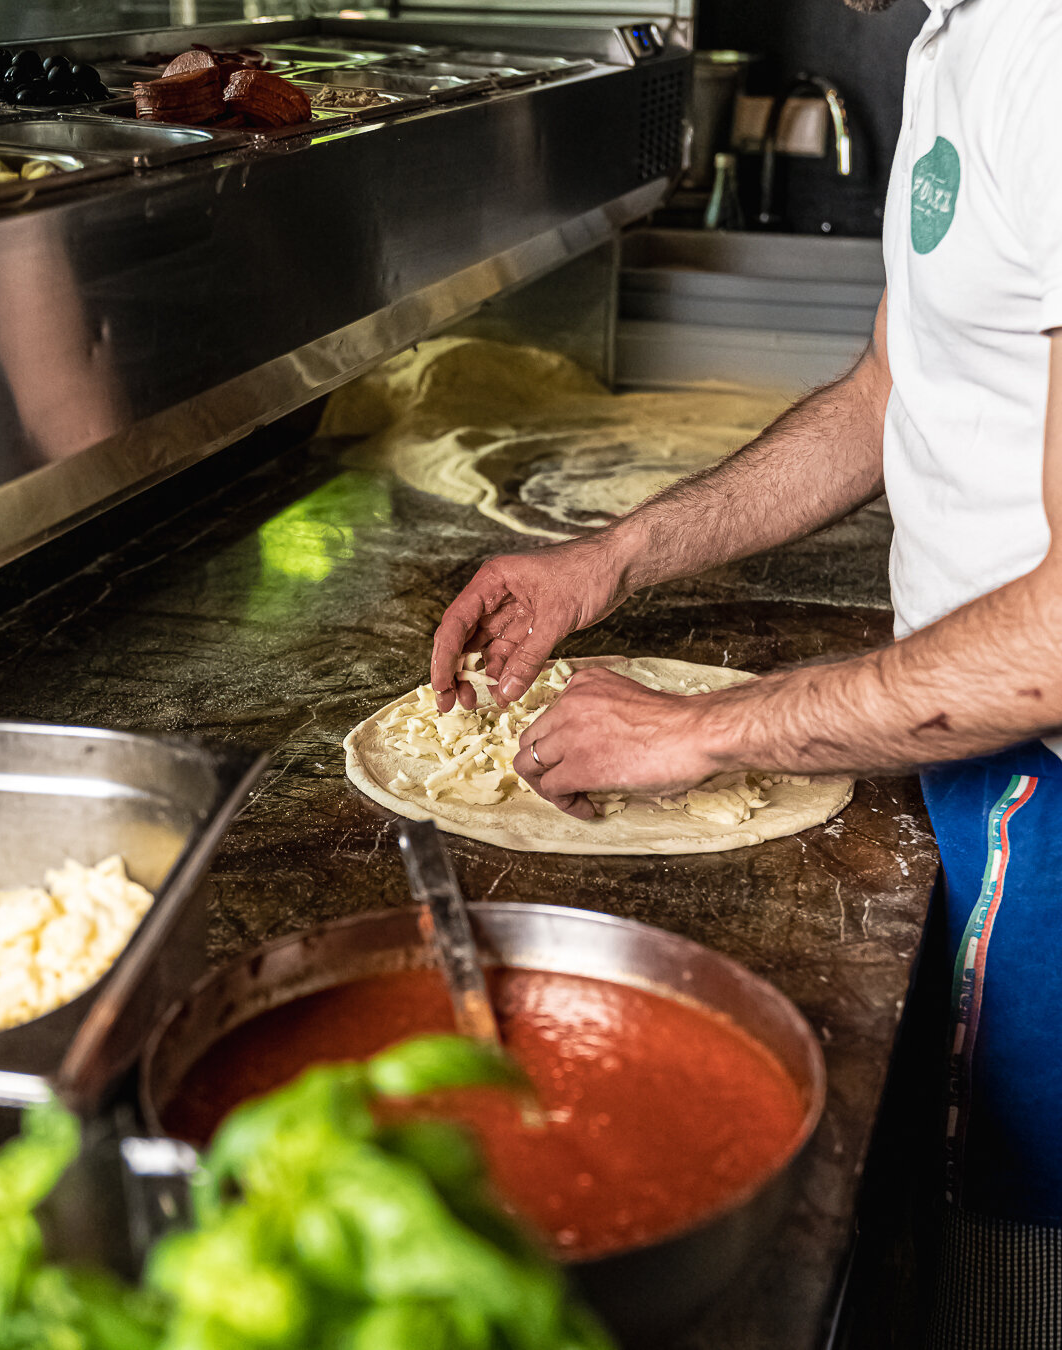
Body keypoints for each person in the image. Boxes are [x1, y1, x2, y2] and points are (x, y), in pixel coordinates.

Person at [431, 0, 1062, 1344]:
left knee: (1019, 1281)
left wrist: (700, 733)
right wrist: (615, 557)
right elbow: (892, 386)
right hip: (965, 758)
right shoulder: (958, 39)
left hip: (1050, 814)